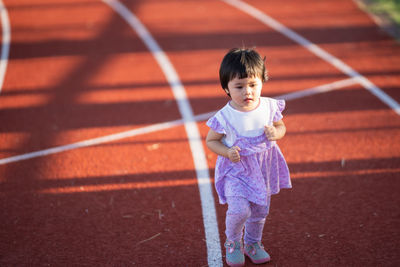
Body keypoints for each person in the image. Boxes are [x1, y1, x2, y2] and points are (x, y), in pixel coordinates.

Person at [206, 48, 291, 266]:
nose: (248, 92)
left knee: (260, 209)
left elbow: (280, 126)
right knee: (239, 209)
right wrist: (226, 151)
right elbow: (211, 141)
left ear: (262, 81)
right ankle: (233, 242)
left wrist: (277, 132)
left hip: (264, 167)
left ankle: (253, 242)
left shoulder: (269, 107)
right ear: (226, 88)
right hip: (237, 169)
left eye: (253, 85)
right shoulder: (225, 116)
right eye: (239, 86)